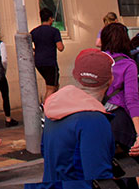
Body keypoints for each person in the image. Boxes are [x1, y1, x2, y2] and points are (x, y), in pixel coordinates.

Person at [41, 48, 117, 184]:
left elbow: (46, 152)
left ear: (75, 76)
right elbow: (99, 176)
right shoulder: (94, 120)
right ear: (111, 80)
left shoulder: (54, 108)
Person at [99, 22, 139, 154]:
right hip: (120, 120)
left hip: (97, 117)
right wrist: (138, 133)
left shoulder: (97, 60)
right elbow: (131, 98)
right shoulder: (128, 64)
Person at [31, 7, 64, 103]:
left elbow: (27, 45)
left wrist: (36, 49)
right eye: (52, 18)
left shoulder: (34, 31)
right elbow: (60, 47)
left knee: (54, 84)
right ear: (50, 18)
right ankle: (46, 108)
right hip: (50, 62)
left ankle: (52, 104)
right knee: (51, 88)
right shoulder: (54, 31)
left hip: (38, 62)